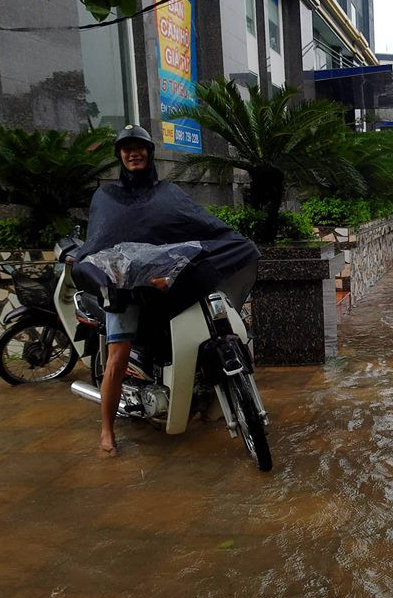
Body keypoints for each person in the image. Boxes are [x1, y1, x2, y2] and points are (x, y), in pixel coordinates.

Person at [77, 125, 259, 456]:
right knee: (116, 357)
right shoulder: (106, 197)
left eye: (140, 147)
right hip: (124, 289)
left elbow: (200, 224)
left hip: (165, 283)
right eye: (126, 148)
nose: (134, 153)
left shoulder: (168, 193)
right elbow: (99, 244)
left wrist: (179, 265)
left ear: (150, 152)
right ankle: (106, 431)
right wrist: (121, 277)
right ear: (120, 155)